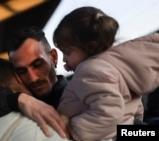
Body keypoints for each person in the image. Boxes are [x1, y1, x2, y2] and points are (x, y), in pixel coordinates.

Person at [53, 6, 159, 140]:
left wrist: (72, 131)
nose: (64, 59)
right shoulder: (117, 66)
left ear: (91, 46)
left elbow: (110, 112)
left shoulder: (89, 71)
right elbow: (136, 105)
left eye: (67, 53)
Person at [0, 54, 70, 141]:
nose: (32, 78)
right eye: (22, 71)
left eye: (37, 65)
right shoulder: (39, 128)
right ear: (17, 78)